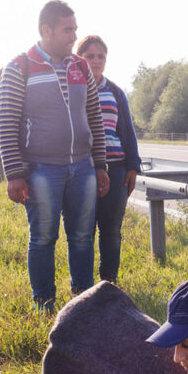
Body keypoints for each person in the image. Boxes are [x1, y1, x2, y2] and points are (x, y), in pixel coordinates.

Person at [0, 0, 110, 312]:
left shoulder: (80, 67)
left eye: (75, 29)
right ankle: (44, 304)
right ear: (46, 31)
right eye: (67, 30)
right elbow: (7, 124)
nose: (74, 36)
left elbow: (94, 117)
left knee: (83, 237)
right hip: (41, 169)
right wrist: (14, 174)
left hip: (83, 166)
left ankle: (83, 304)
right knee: (44, 238)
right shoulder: (19, 67)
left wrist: (100, 165)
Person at [76, 35, 142, 283]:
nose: (96, 61)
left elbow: (127, 132)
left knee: (111, 230)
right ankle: (82, 287)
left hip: (116, 168)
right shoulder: (71, 89)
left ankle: (108, 283)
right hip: (81, 169)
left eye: (100, 56)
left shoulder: (115, 92)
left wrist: (133, 167)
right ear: (79, 58)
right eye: (89, 56)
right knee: (82, 232)